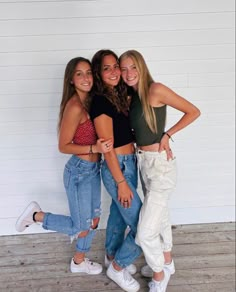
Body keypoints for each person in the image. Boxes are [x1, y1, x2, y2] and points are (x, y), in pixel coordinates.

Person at [15, 57, 113, 275]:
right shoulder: (75, 107)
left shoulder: (92, 101)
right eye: (79, 74)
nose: (86, 78)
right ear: (71, 79)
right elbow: (63, 146)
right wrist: (93, 149)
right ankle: (36, 216)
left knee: (94, 219)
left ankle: (78, 262)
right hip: (78, 172)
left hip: (93, 170)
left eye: (88, 72)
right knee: (81, 226)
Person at [119, 50, 201, 292]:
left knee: (145, 233)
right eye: (123, 69)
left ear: (142, 67)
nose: (128, 73)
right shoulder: (133, 97)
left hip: (160, 166)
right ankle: (167, 262)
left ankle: (159, 276)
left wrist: (167, 135)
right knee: (161, 217)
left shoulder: (156, 89)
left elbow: (193, 111)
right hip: (144, 163)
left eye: (133, 67)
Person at [90, 49, 142, 292]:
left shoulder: (118, 95)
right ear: (99, 74)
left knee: (120, 217)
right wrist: (121, 181)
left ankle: (111, 255)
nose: (114, 72)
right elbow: (108, 148)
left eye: (116, 67)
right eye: (106, 68)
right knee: (145, 225)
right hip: (117, 168)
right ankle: (118, 267)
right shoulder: (101, 101)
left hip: (128, 163)